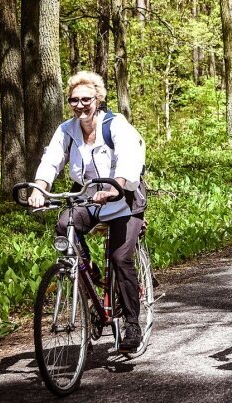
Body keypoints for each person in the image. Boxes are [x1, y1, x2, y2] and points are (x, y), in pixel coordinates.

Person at [28, 71, 147, 352]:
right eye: (74, 100)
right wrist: (38, 189)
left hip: (123, 198)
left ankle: (132, 324)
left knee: (120, 258)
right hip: (88, 197)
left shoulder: (115, 125)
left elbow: (130, 158)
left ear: (98, 99)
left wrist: (116, 186)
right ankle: (87, 271)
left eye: (86, 99)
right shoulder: (66, 130)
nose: (80, 105)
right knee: (64, 224)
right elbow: (51, 161)